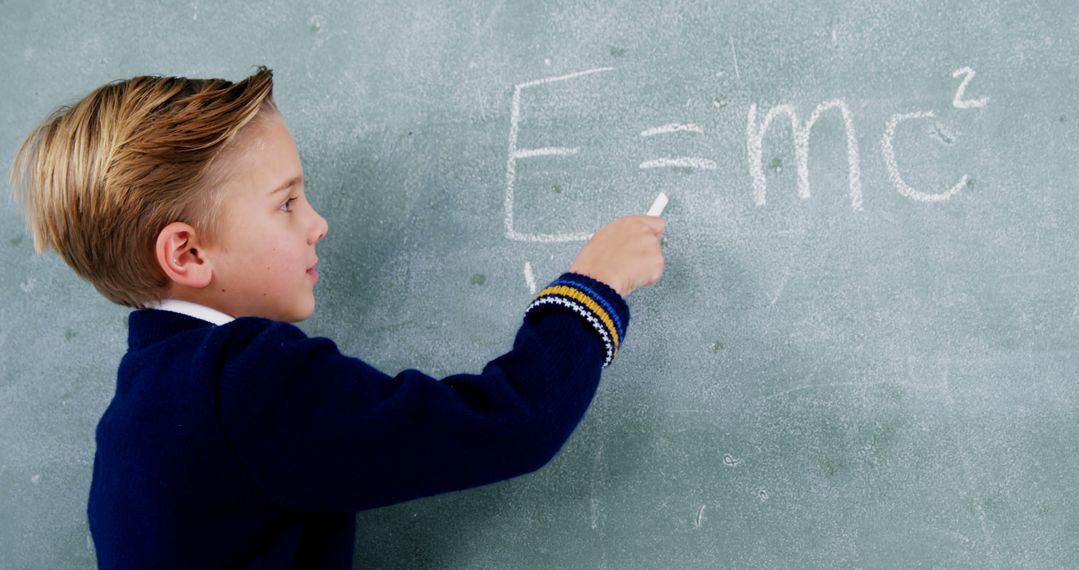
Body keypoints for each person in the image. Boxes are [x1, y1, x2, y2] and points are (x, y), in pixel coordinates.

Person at [8, 66, 664, 568]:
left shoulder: (142, 404)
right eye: (286, 203)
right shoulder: (240, 382)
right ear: (188, 251)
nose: (317, 224)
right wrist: (594, 289)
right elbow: (507, 427)